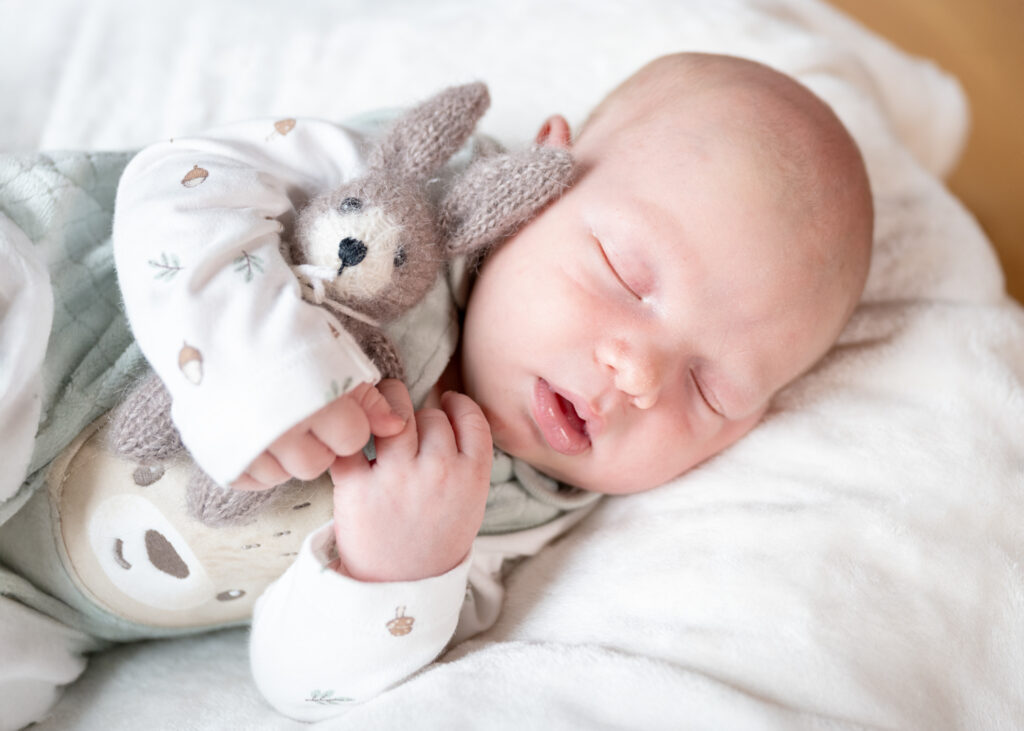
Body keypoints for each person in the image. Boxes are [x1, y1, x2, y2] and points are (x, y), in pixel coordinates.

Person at [0, 52, 872, 726]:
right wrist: (266, 371)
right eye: (624, 274)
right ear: (545, 175)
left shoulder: (509, 519)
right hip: (45, 323)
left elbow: (304, 686)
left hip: (35, 600)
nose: (639, 376)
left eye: (710, 391)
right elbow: (181, 179)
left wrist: (392, 571)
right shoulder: (402, 190)